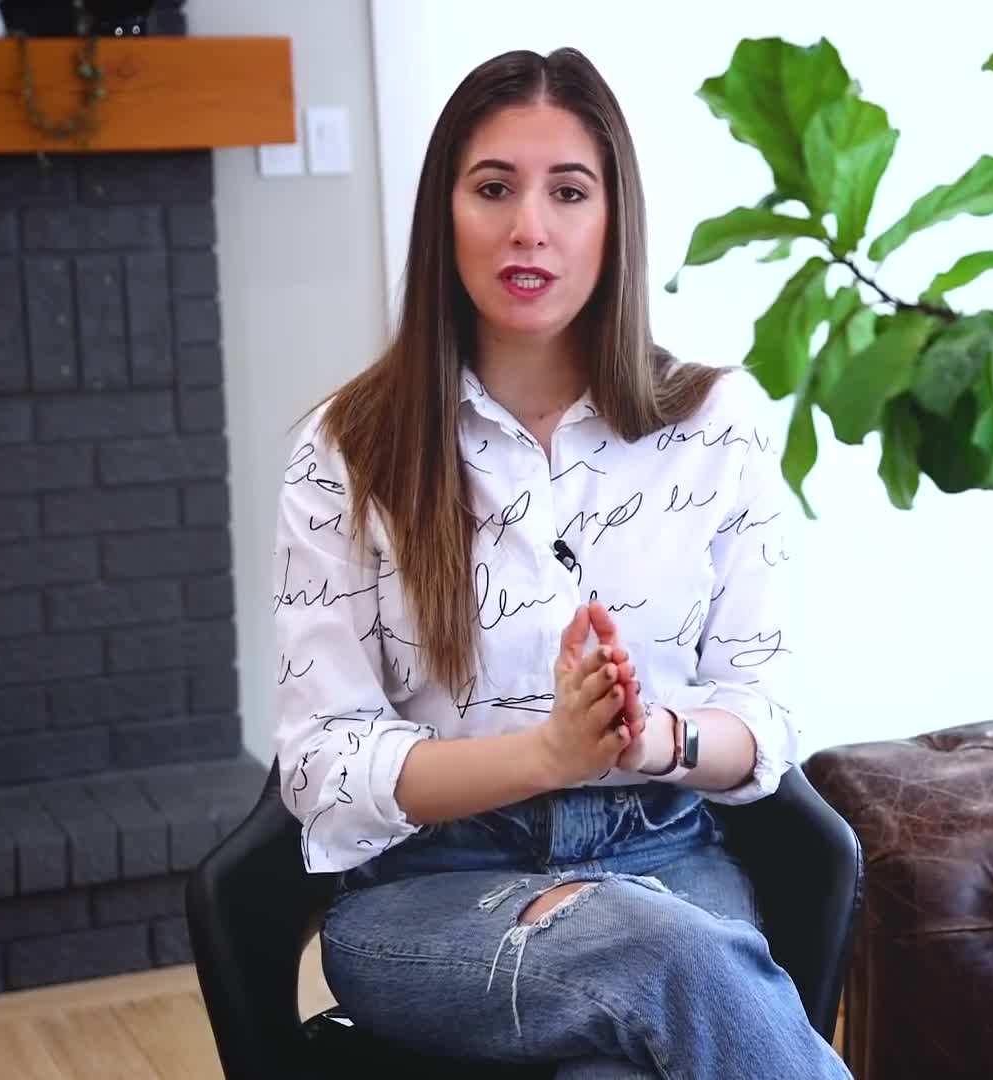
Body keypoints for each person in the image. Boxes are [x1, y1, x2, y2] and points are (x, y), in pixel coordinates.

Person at [270, 46, 850, 1080]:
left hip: (663, 858)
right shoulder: (346, 449)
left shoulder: (716, 428)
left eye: (568, 191)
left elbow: (762, 716)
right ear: (444, 213)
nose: (528, 225)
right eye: (493, 187)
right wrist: (547, 756)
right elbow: (322, 763)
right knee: (669, 962)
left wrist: (649, 740)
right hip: (430, 895)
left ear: (612, 221)